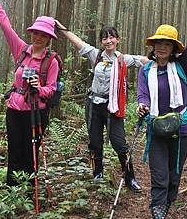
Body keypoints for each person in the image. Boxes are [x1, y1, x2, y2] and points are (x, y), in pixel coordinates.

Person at [137, 0, 187, 219]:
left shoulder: (182, 65)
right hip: (156, 130)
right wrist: (142, 107)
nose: (162, 48)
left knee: (174, 179)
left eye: (167, 44)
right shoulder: (145, 70)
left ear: (173, 47)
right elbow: (142, 95)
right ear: (153, 46)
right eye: (159, 43)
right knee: (160, 179)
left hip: (182, 129)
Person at [55, 21, 148, 191]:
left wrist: (167, 59)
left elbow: (143, 60)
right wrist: (61, 28)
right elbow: (78, 42)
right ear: (101, 42)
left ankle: (130, 177)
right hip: (93, 105)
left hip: (113, 106)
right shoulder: (95, 55)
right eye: (105, 38)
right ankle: (97, 173)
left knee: (119, 143)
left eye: (112, 37)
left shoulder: (123, 59)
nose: (108, 41)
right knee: (95, 142)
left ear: (117, 39)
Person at [0, 0, 58, 185]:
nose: (38, 37)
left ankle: (29, 189)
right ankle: (12, 188)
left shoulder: (51, 61)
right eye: (36, 33)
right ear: (31, 33)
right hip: (14, 110)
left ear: (49, 38)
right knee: (15, 149)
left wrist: (38, 87)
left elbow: (51, 89)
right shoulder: (21, 49)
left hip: (36, 112)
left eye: (43, 35)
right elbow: (6, 28)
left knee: (31, 151)